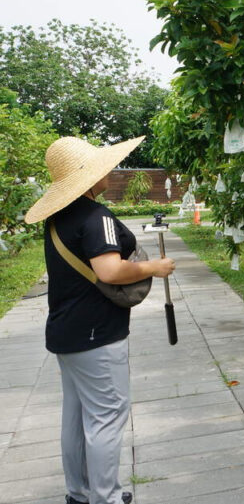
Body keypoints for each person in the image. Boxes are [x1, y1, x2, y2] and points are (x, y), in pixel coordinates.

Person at [24, 136, 175, 504]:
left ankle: (78, 493)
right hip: (97, 335)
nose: (110, 170)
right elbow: (109, 271)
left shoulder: (60, 217)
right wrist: (154, 267)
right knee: (107, 415)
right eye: (101, 166)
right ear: (89, 176)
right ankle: (105, 497)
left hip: (66, 332)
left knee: (76, 417)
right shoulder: (97, 217)